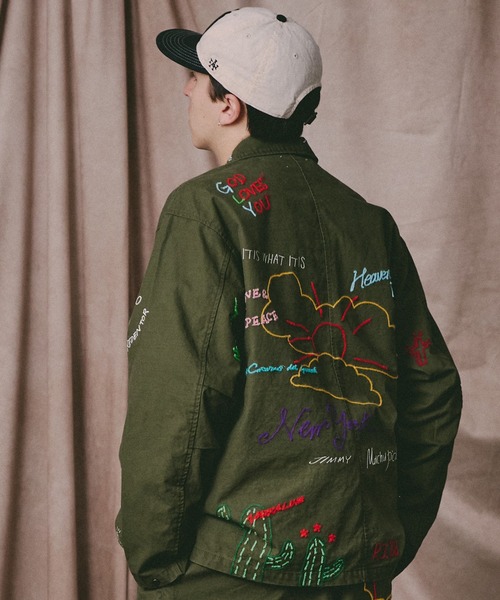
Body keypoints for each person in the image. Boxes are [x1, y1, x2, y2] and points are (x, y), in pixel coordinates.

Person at [116, 7, 462, 599]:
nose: (186, 89)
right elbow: (432, 392)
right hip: (356, 570)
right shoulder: (369, 222)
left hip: (230, 573)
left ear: (229, 105)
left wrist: (155, 559)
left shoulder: (204, 210)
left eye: (196, 77)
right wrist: (388, 534)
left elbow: (178, 401)